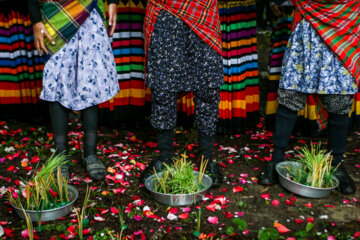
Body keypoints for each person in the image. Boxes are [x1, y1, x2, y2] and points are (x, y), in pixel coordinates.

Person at [259, 0, 360, 194]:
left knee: (338, 99)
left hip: (343, 23)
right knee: (291, 94)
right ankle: (276, 160)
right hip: (308, 26)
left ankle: (337, 165)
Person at [26, 0, 120, 180]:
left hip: (90, 12)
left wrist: (113, 2)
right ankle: (61, 157)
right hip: (55, 16)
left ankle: (90, 153)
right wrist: (36, 20)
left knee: (90, 80)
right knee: (57, 80)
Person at [142, 0, 224, 186]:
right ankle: (165, 158)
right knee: (162, 89)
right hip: (164, 10)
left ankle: (206, 160)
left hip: (202, 8)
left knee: (208, 88)